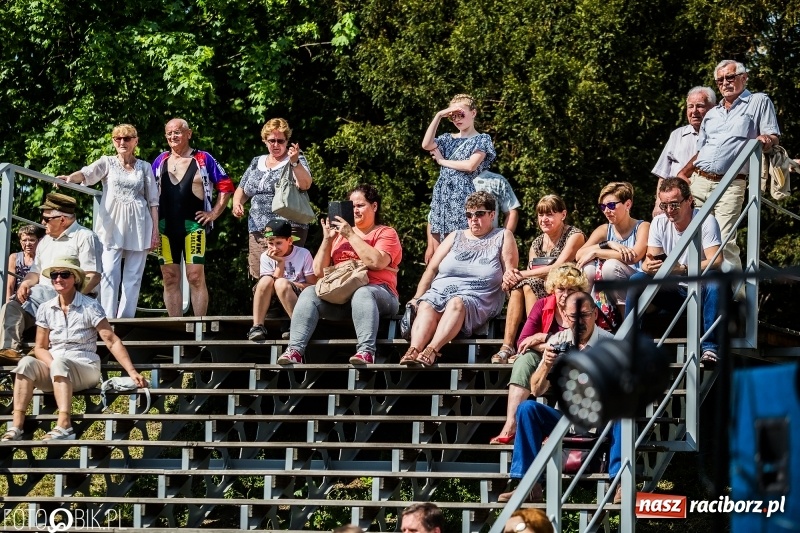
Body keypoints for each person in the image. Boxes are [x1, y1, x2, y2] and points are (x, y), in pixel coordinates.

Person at [1, 257, 145, 442]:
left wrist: (132, 371)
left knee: (60, 364)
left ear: (75, 278)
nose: (58, 279)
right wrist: (52, 364)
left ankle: (65, 425)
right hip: (56, 368)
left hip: (85, 367)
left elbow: (111, 340)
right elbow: (40, 347)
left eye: (64, 274)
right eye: (54, 275)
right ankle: (16, 426)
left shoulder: (90, 306)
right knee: (26, 362)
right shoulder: (45, 308)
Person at [498, 292, 616, 504]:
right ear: (564, 315)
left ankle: (620, 482)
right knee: (527, 408)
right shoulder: (559, 340)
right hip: (564, 419)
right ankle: (527, 484)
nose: (578, 322)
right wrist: (546, 364)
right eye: (572, 317)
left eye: (585, 315)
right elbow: (537, 389)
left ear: (595, 313)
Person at [279, 184, 402, 365]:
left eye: (360, 205)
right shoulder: (339, 236)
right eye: (351, 206)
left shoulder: (385, 233)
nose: (355, 210)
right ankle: (295, 350)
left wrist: (351, 235)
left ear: (374, 206)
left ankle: (366, 352)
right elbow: (319, 272)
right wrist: (328, 239)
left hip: (380, 294)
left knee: (363, 292)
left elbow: (377, 262)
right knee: (309, 293)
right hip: (342, 297)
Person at [677, 60, 781, 270]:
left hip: (731, 183)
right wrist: (683, 173)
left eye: (730, 77)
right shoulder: (712, 113)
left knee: (723, 240)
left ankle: (735, 296)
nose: (725, 82)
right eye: (720, 79)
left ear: (744, 78)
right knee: (693, 236)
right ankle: (699, 292)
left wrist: (766, 140)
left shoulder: (758, 101)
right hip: (699, 181)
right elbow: (701, 151)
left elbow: (773, 135)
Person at [402, 191, 518, 367]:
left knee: (456, 303)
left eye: (479, 214)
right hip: (440, 292)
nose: (473, 219)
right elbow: (432, 269)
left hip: (478, 297)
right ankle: (414, 350)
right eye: (469, 215)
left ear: (492, 214)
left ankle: (432, 350)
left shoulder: (502, 236)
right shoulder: (455, 236)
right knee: (426, 304)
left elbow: (510, 271)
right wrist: (417, 297)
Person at [56, 124, 159, 318]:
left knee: (134, 276)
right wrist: (70, 178)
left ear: (135, 141)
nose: (122, 142)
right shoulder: (107, 162)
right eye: (117, 138)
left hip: (139, 224)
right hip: (112, 226)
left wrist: (155, 232)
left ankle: (126, 319)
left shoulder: (144, 167)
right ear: (113, 141)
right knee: (109, 273)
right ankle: (108, 318)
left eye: (127, 138)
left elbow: (153, 201)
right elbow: (87, 173)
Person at [625, 178, 723, 364]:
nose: (669, 210)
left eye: (674, 204)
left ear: (689, 200)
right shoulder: (659, 222)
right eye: (664, 205)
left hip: (703, 291)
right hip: (675, 292)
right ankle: (631, 345)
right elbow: (651, 259)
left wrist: (683, 270)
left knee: (714, 278)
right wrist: (648, 266)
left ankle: (710, 348)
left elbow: (716, 260)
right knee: (638, 279)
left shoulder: (706, 220)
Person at [491, 265, 590, 444]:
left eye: (571, 289)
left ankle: (555, 427)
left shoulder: (584, 307)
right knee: (524, 360)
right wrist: (551, 347)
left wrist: (545, 337)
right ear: (553, 289)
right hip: (546, 357)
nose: (565, 294)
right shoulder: (542, 304)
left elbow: (582, 342)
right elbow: (523, 341)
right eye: (561, 289)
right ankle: (511, 424)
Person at [0, 193, 100, 362]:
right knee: (12, 305)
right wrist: (25, 283)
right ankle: (8, 350)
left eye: (46, 219)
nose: (42, 223)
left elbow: (93, 276)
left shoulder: (85, 237)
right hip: (41, 297)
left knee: (48, 304)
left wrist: (70, 297)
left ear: (62, 219)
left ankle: (39, 351)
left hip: (71, 296)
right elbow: (35, 272)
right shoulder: (45, 241)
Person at [151, 118, 235, 316]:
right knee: (170, 277)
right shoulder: (160, 160)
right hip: (165, 227)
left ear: (188, 134)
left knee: (195, 276)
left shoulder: (203, 159)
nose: (173, 136)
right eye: (169, 133)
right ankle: (176, 330)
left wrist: (213, 213)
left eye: (178, 132)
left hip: (193, 226)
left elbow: (226, 185)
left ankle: (199, 329)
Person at [493, 194, 585, 363]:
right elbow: (532, 271)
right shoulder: (537, 243)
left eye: (549, 214)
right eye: (541, 215)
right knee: (519, 287)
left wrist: (517, 273)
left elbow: (558, 266)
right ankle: (507, 346)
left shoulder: (574, 235)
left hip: (564, 289)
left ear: (563, 215)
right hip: (540, 288)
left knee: (527, 284)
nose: (544, 219)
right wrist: (511, 278)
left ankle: (532, 340)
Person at [232, 118, 313, 278]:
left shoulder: (295, 160)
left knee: (287, 276)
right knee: (261, 274)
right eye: (271, 140)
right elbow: (242, 189)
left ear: (287, 141)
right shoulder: (257, 161)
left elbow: (305, 184)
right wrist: (237, 204)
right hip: (258, 229)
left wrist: (295, 162)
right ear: (264, 140)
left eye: (280, 141)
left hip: (287, 228)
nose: (276, 145)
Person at [422, 94, 496, 241]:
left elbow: (470, 165)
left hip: (462, 194)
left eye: (460, 114)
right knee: (437, 239)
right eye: (452, 116)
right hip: (442, 194)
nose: (456, 119)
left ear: (473, 113)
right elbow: (426, 145)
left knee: (460, 239)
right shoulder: (447, 138)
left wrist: (442, 162)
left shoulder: (482, 139)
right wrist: (438, 116)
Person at [576, 182, 649, 322]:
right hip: (609, 289)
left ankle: (626, 325)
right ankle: (584, 322)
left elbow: (634, 256)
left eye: (611, 205)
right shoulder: (604, 230)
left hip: (636, 285)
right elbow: (580, 254)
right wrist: (608, 244)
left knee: (611, 266)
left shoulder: (642, 226)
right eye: (603, 207)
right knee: (588, 268)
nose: (606, 211)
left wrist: (598, 252)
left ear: (628, 204)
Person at [424, 170, 521, 263]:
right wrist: (430, 246)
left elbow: (511, 212)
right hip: (452, 248)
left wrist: (502, 241)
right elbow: (434, 217)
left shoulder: (496, 180)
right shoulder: (449, 180)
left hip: (486, 248)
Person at [651, 87, 716, 217]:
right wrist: (659, 202)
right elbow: (663, 173)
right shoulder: (677, 135)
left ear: (713, 108)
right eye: (690, 106)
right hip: (673, 203)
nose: (694, 111)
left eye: (700, 106)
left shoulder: (718, 136)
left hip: (706, 199)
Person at [248, 219, 316, 341]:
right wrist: (280, 262)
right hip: (273, 300)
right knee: (265, 281)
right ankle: (257, 326)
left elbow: (312, 286)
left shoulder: (303, 254)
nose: (274, 248)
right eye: (270, 243)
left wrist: (288, 284)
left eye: (278, 243)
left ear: (289, 241)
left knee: (281, 283)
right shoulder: (266, 256)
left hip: (297, 297)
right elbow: (268, 285)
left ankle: (298, 326)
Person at [6, 225, 41, 302]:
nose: (28, 244)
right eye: (24, 240)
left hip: (36, 299)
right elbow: (10, 286)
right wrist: (7, 304)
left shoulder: (43, 258)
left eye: (32, 240)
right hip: (17, 299)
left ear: (38, 240)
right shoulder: (14, 257)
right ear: (20, 242)